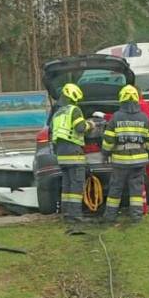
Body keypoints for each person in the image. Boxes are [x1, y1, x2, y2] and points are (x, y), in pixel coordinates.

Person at [102, 85, 149, 223]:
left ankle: (110, 216)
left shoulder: (116, 117)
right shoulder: (143, 118)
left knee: (116, 188)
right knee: (136, 190)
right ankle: (136, 217)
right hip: (139, 161)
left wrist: (105, 153)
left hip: (120, 161)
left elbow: (108, 140)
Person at [51, 82, 91, 224]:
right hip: (73, 152)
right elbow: (80, 128)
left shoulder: (57, 113)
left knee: (67, 185)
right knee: (76, 185)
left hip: (61, 154)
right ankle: (76, 216)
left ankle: (67, 214)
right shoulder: (74, 110)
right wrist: (91, 125)